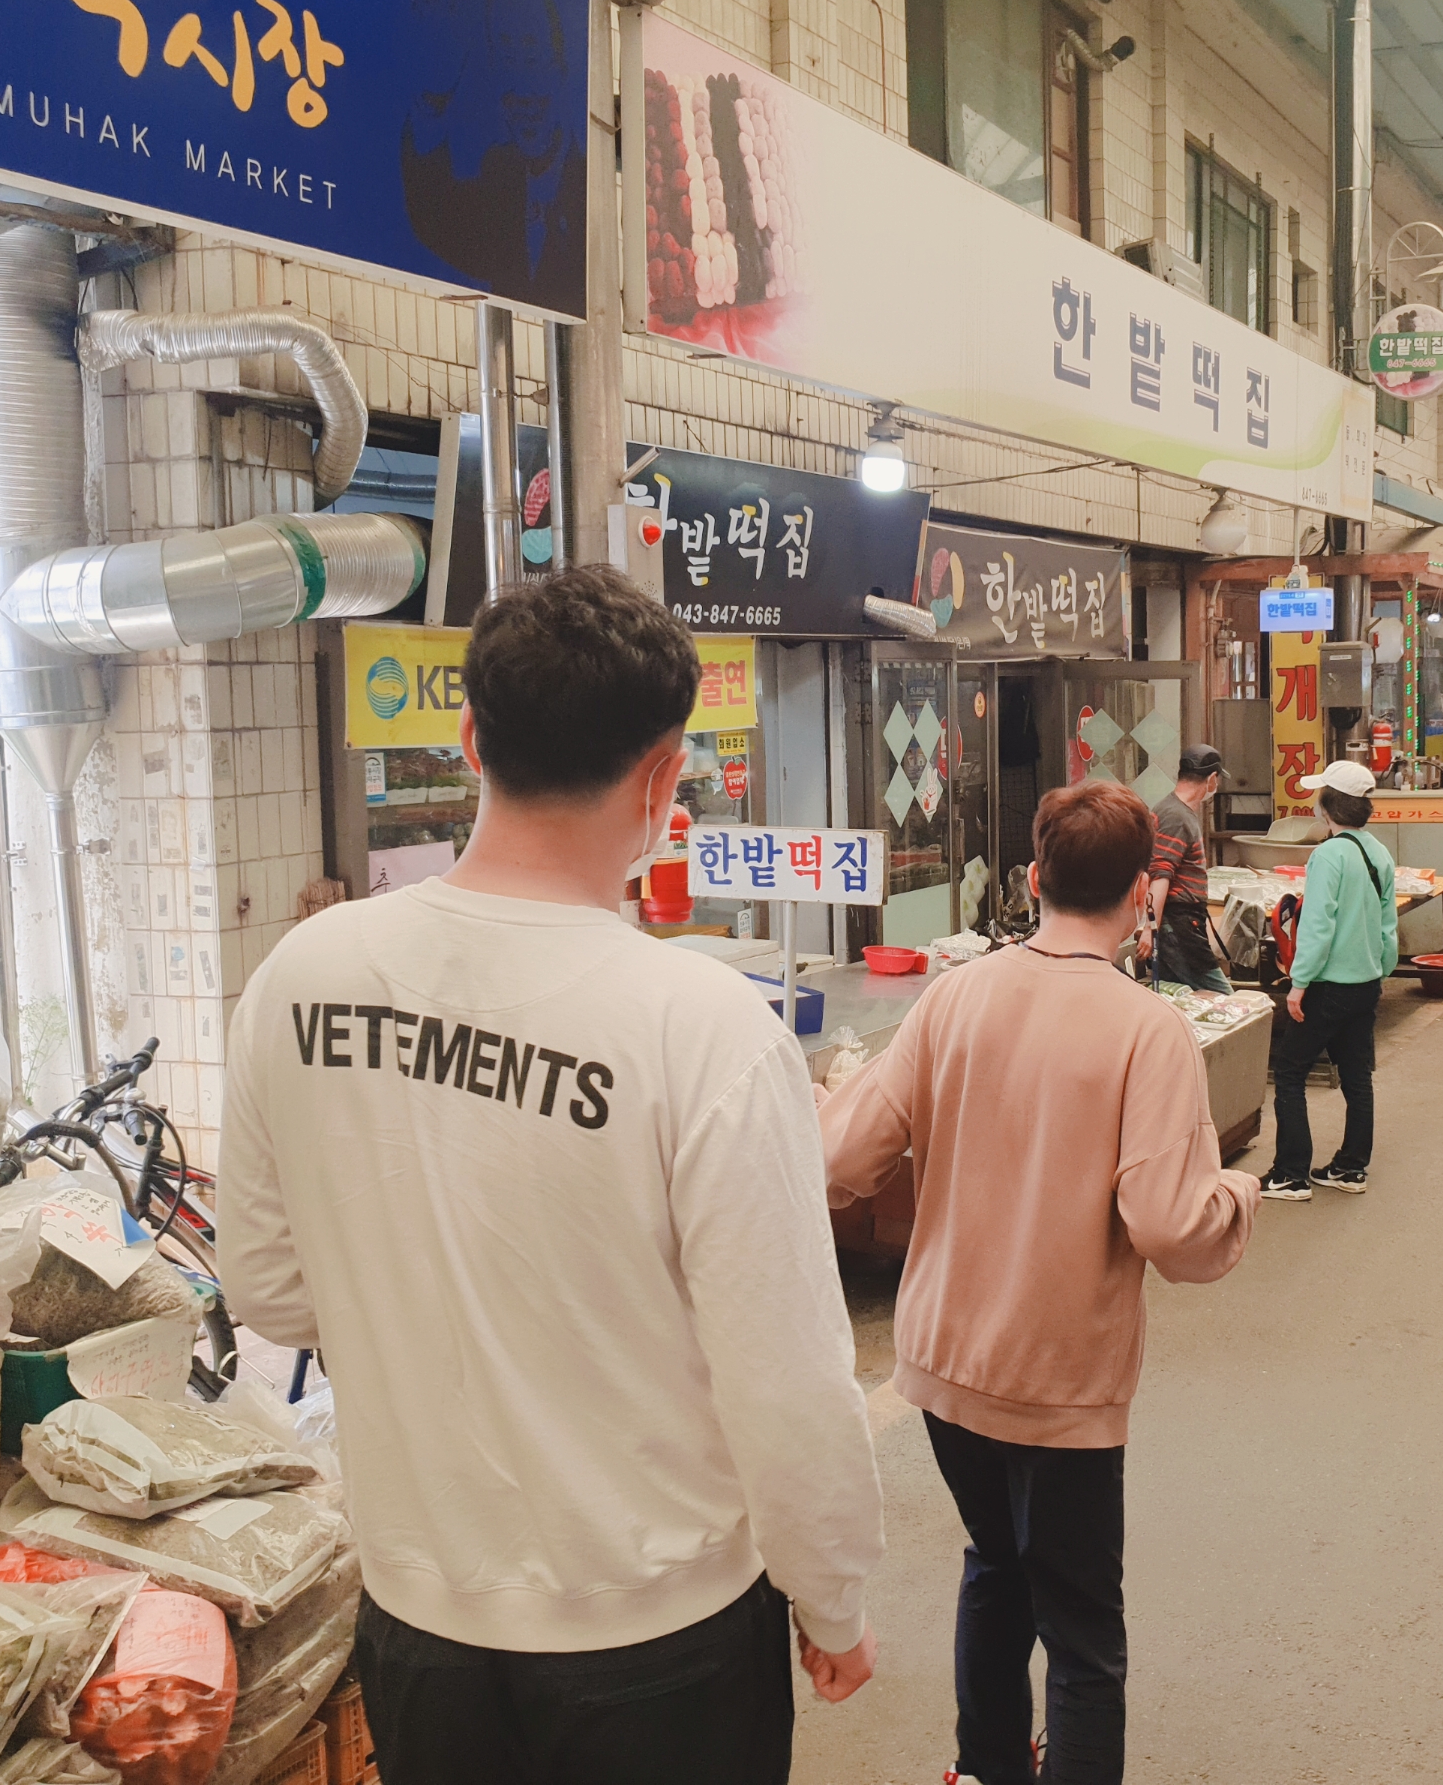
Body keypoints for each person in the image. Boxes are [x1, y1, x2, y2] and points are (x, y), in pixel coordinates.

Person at [221, 569, 887, 1785]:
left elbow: (267, 1291)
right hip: (658, 1637)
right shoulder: (702, 1027)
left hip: (419, 1620)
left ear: (471, 738)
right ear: (662, 777)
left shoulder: (302, 976)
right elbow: (785, 1377)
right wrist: (829, 1597)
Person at [824, 780, 1259, 1785]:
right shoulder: (1145, 1030)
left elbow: (845, 1154)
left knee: (995, 1563)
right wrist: (1237, 1194)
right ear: (1141, 892)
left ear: (1032, 879)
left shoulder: (956, 997)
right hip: (1060, 1377)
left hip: (945, 1360)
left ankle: (984, 1768)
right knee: (1082, 1630)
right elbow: (1170, 1226)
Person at [1261, 759, 1401, 1198]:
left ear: (1328, 806)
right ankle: (1350, 1168)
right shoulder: (1378, 852)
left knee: (1289, 1072)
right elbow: (1388, 926)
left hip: (1327, 985)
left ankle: (1290, 1174)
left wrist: (1299, 983)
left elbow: (1317, 927)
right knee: (1357, 1077)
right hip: (1366, 982)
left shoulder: (1327, 856)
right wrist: (1380, 969)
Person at [1144, 745, 1230, 992]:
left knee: (1180, 998)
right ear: (1211, 779)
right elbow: (1160, 876)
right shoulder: (1175, 816)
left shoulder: (1176, 811)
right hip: (1179, 925)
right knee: (1224, 999)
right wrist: (1150, 928)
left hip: (1180, 923)